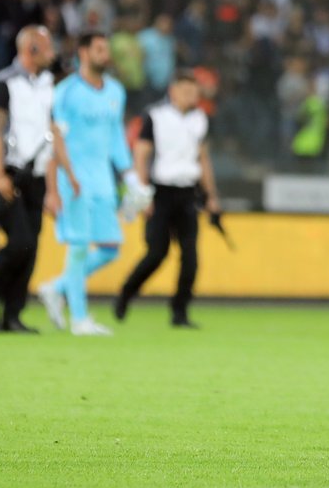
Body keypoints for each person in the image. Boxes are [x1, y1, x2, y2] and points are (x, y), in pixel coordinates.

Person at [38, 32, 150, 336]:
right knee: (78, 246)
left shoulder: (115, 90)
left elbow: (116, 137)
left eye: (107, 49)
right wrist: (59, 181)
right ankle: (80, 319)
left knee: (110, 247)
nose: (106, 55)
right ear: (83, 53)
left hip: (103, 179)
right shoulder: (66, 91)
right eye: (100, 49)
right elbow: (55, 138)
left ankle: (55, 288)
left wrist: (130, 177)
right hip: (73, 178)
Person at [0, 26, 64, 333]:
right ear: (31, 49)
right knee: (20, 240)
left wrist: (52, 188)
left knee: (31, 246)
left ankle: (13, 313)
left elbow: (50, 138)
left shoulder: (49, 85)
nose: (52, 51)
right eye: (46, 45)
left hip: (37, 174)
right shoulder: (3, 83)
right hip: (9, 171)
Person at [114, 71, 218, 327]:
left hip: (187, 193)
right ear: (173, 91)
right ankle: (126, 293)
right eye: (186, 90)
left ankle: (179, 312)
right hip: (160, 192)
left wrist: (211, 195)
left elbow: (202, 158)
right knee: (157, 253)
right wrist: (143, 193)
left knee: (190, 257)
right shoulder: (156, 116)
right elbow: (141, 154)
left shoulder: (200, 119)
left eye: (194, 91)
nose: (191, 95)